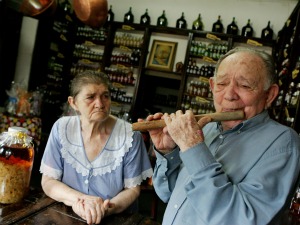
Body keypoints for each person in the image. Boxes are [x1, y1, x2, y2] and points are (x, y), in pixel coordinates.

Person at [142, 47, 300, 225]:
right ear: (212, 86)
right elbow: (168, 194)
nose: (229, 95)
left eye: (245, 85)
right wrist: (168, 151)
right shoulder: (206, 129)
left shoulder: (284, 142)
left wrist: (193, 148)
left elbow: (241, 220)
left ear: (270, 95)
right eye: (222, 84)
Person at [40, 70, 153, 225]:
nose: (100, 104)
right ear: (73, 103)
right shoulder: (62, 128)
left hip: (115, 218)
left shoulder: (130, 136)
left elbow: (132, 190)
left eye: (105, 96)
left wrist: (105, 209)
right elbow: (48, 181)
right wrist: (81, 200)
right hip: (66, 216)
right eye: (90, 97)